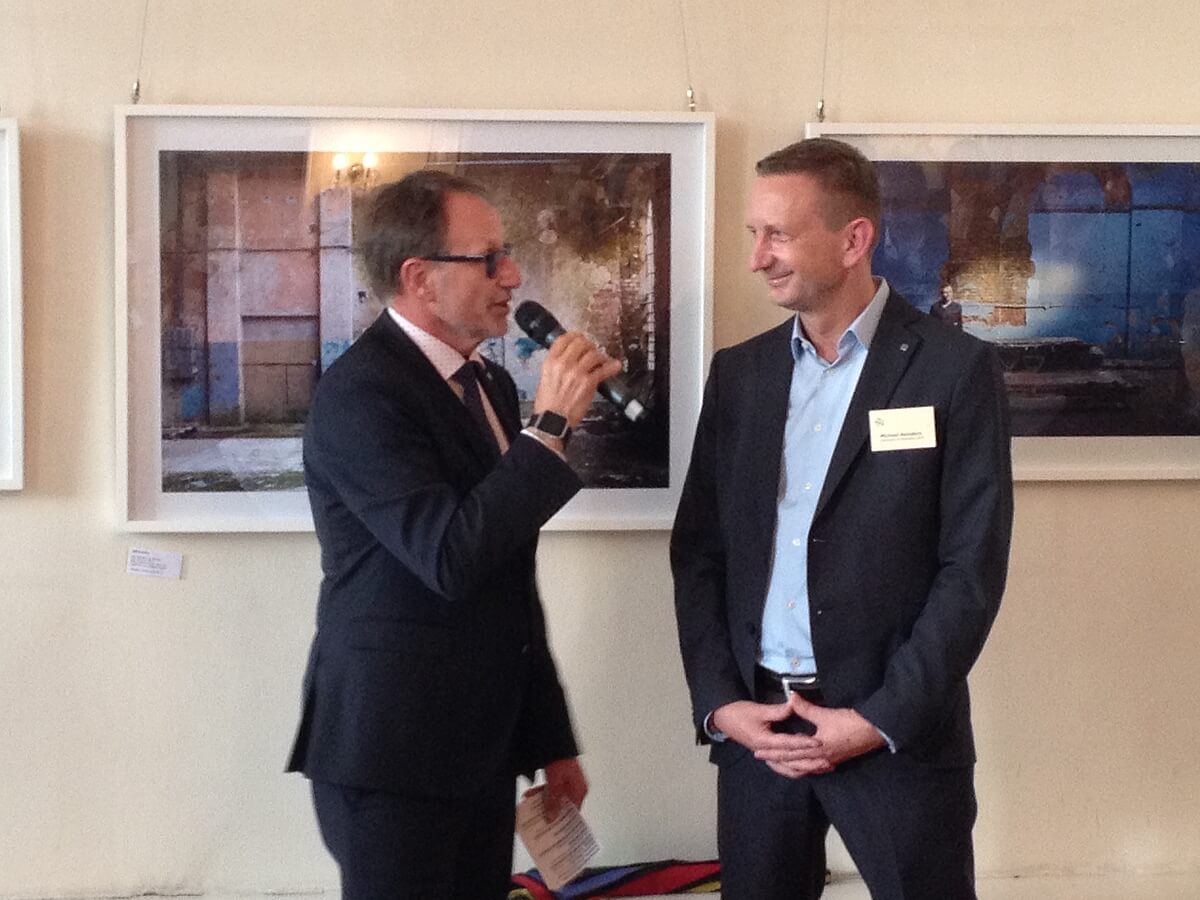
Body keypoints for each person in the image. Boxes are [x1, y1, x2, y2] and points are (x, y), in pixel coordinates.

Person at [671, 138, 1013, 900]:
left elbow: (971, 572)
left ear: (854, 239)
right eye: (754, 234)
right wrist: (721, 704)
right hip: (761, 734)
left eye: (778, 234)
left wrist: (879, 718)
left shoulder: (955, 372)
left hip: (896, 737)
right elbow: (699, 553)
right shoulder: (739, 376)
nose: (757, 257)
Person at [287, 169, 621, 899]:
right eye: (490, 259)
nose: (513, 276)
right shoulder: (361, 395)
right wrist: (551, 427)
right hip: (393, 754)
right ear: (420, 278)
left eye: (508, 255)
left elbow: (508, 582)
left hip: (483, 749)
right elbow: (449, 556)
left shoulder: (488, 384)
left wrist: (550, 740)